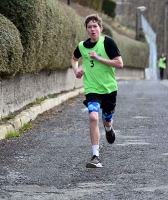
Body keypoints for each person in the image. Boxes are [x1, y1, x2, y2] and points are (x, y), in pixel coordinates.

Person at [71, 14, 123, 168]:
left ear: (101, 28)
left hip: (109, 89)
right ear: (86, 30)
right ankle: (95, 156)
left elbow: (119, 64)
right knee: (93, 117)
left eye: (95, 26)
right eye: (89, 27)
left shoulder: (108, 42)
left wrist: (99, 58)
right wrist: (76, 71)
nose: (92, 29)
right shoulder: (82, 46)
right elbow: (74, 59)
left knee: (106, 119)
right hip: (92, 89)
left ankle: (108, 128)